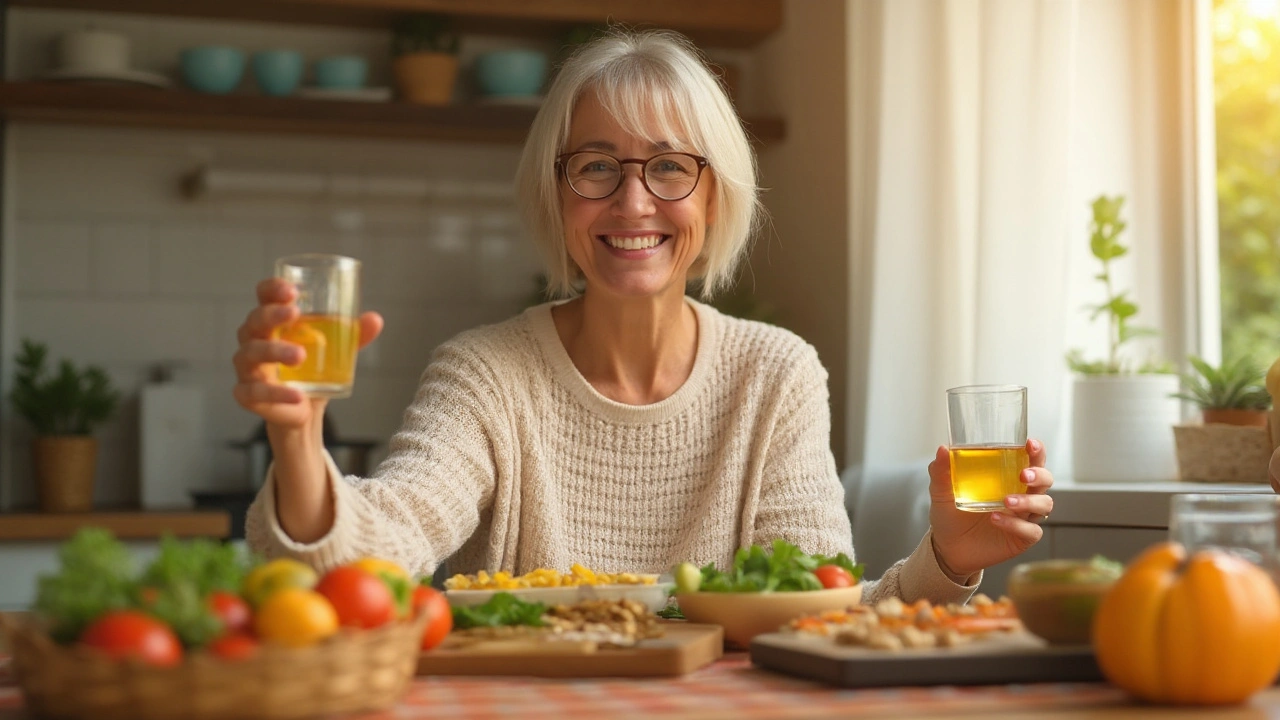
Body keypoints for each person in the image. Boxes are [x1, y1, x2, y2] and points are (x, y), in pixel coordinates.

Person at [232, 29, 1054, 605]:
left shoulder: (775, 374)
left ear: (714, 193)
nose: (631, 202)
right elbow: (380, 553)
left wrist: (947, 559)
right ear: (556, 194)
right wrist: (299, 441)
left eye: (668, 166)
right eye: (595, 165)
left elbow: (817, 613)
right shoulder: (486, 372)